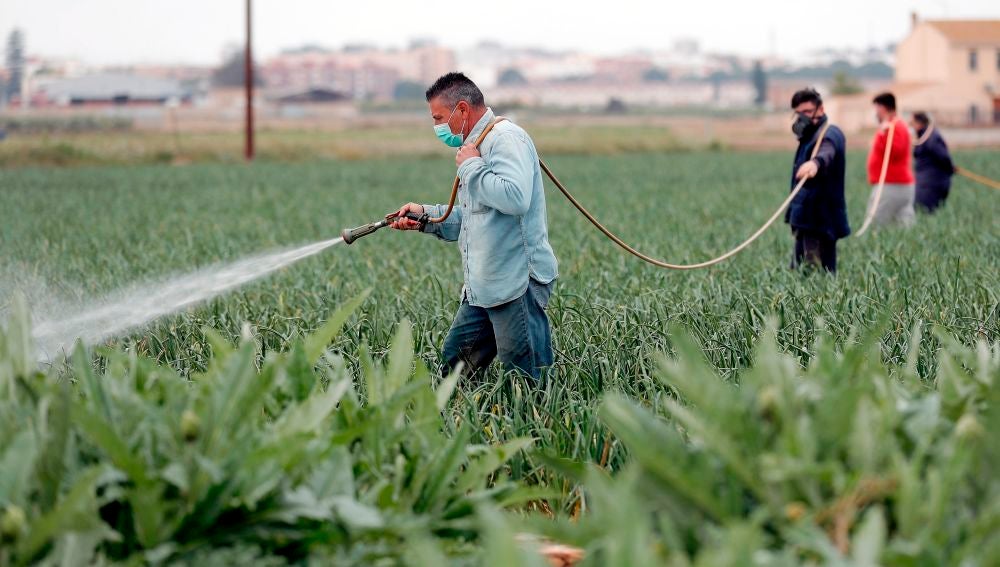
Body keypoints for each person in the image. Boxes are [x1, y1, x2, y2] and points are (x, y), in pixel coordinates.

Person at [389, 72, 558, 381]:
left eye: (439, 118)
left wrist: (471, 166)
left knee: (526, 377)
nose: (437, 127)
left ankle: (540, 426)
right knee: (455, 365)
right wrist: (424, 217)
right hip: (485, 286)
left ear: (463, 110)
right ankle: (460, 424)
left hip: (516, 282)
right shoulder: (476, 145)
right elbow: (474, 219)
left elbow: (515, 198)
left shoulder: (504, 139)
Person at [785, 88, 850, 273]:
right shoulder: (808, 136)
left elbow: (827, 152)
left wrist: (815, 164)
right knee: (799, 271)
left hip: (821, 219)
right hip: (804, 217)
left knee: (816, 274)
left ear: (820, 109)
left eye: (806, 112)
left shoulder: (830, 133)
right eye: (798, 113)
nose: (802, 117)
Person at [865, 92, 915, 227]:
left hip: (891, 184)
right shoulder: (897, 125)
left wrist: (883, 134)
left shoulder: (894, 126)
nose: (875, 113)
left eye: (876, 108)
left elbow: (895, 151)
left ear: (882, 108)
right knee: (904, 226)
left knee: (875, 226)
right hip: (899, 184)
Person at [911, 111, 956, 213]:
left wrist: (950, 167)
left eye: (913, 122)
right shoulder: (923, 136)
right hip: (924, 182)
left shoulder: (932, 137)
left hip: (932, 184)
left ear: (919, 123)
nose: (911, 125)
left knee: (927, 212)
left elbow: (943, 157)